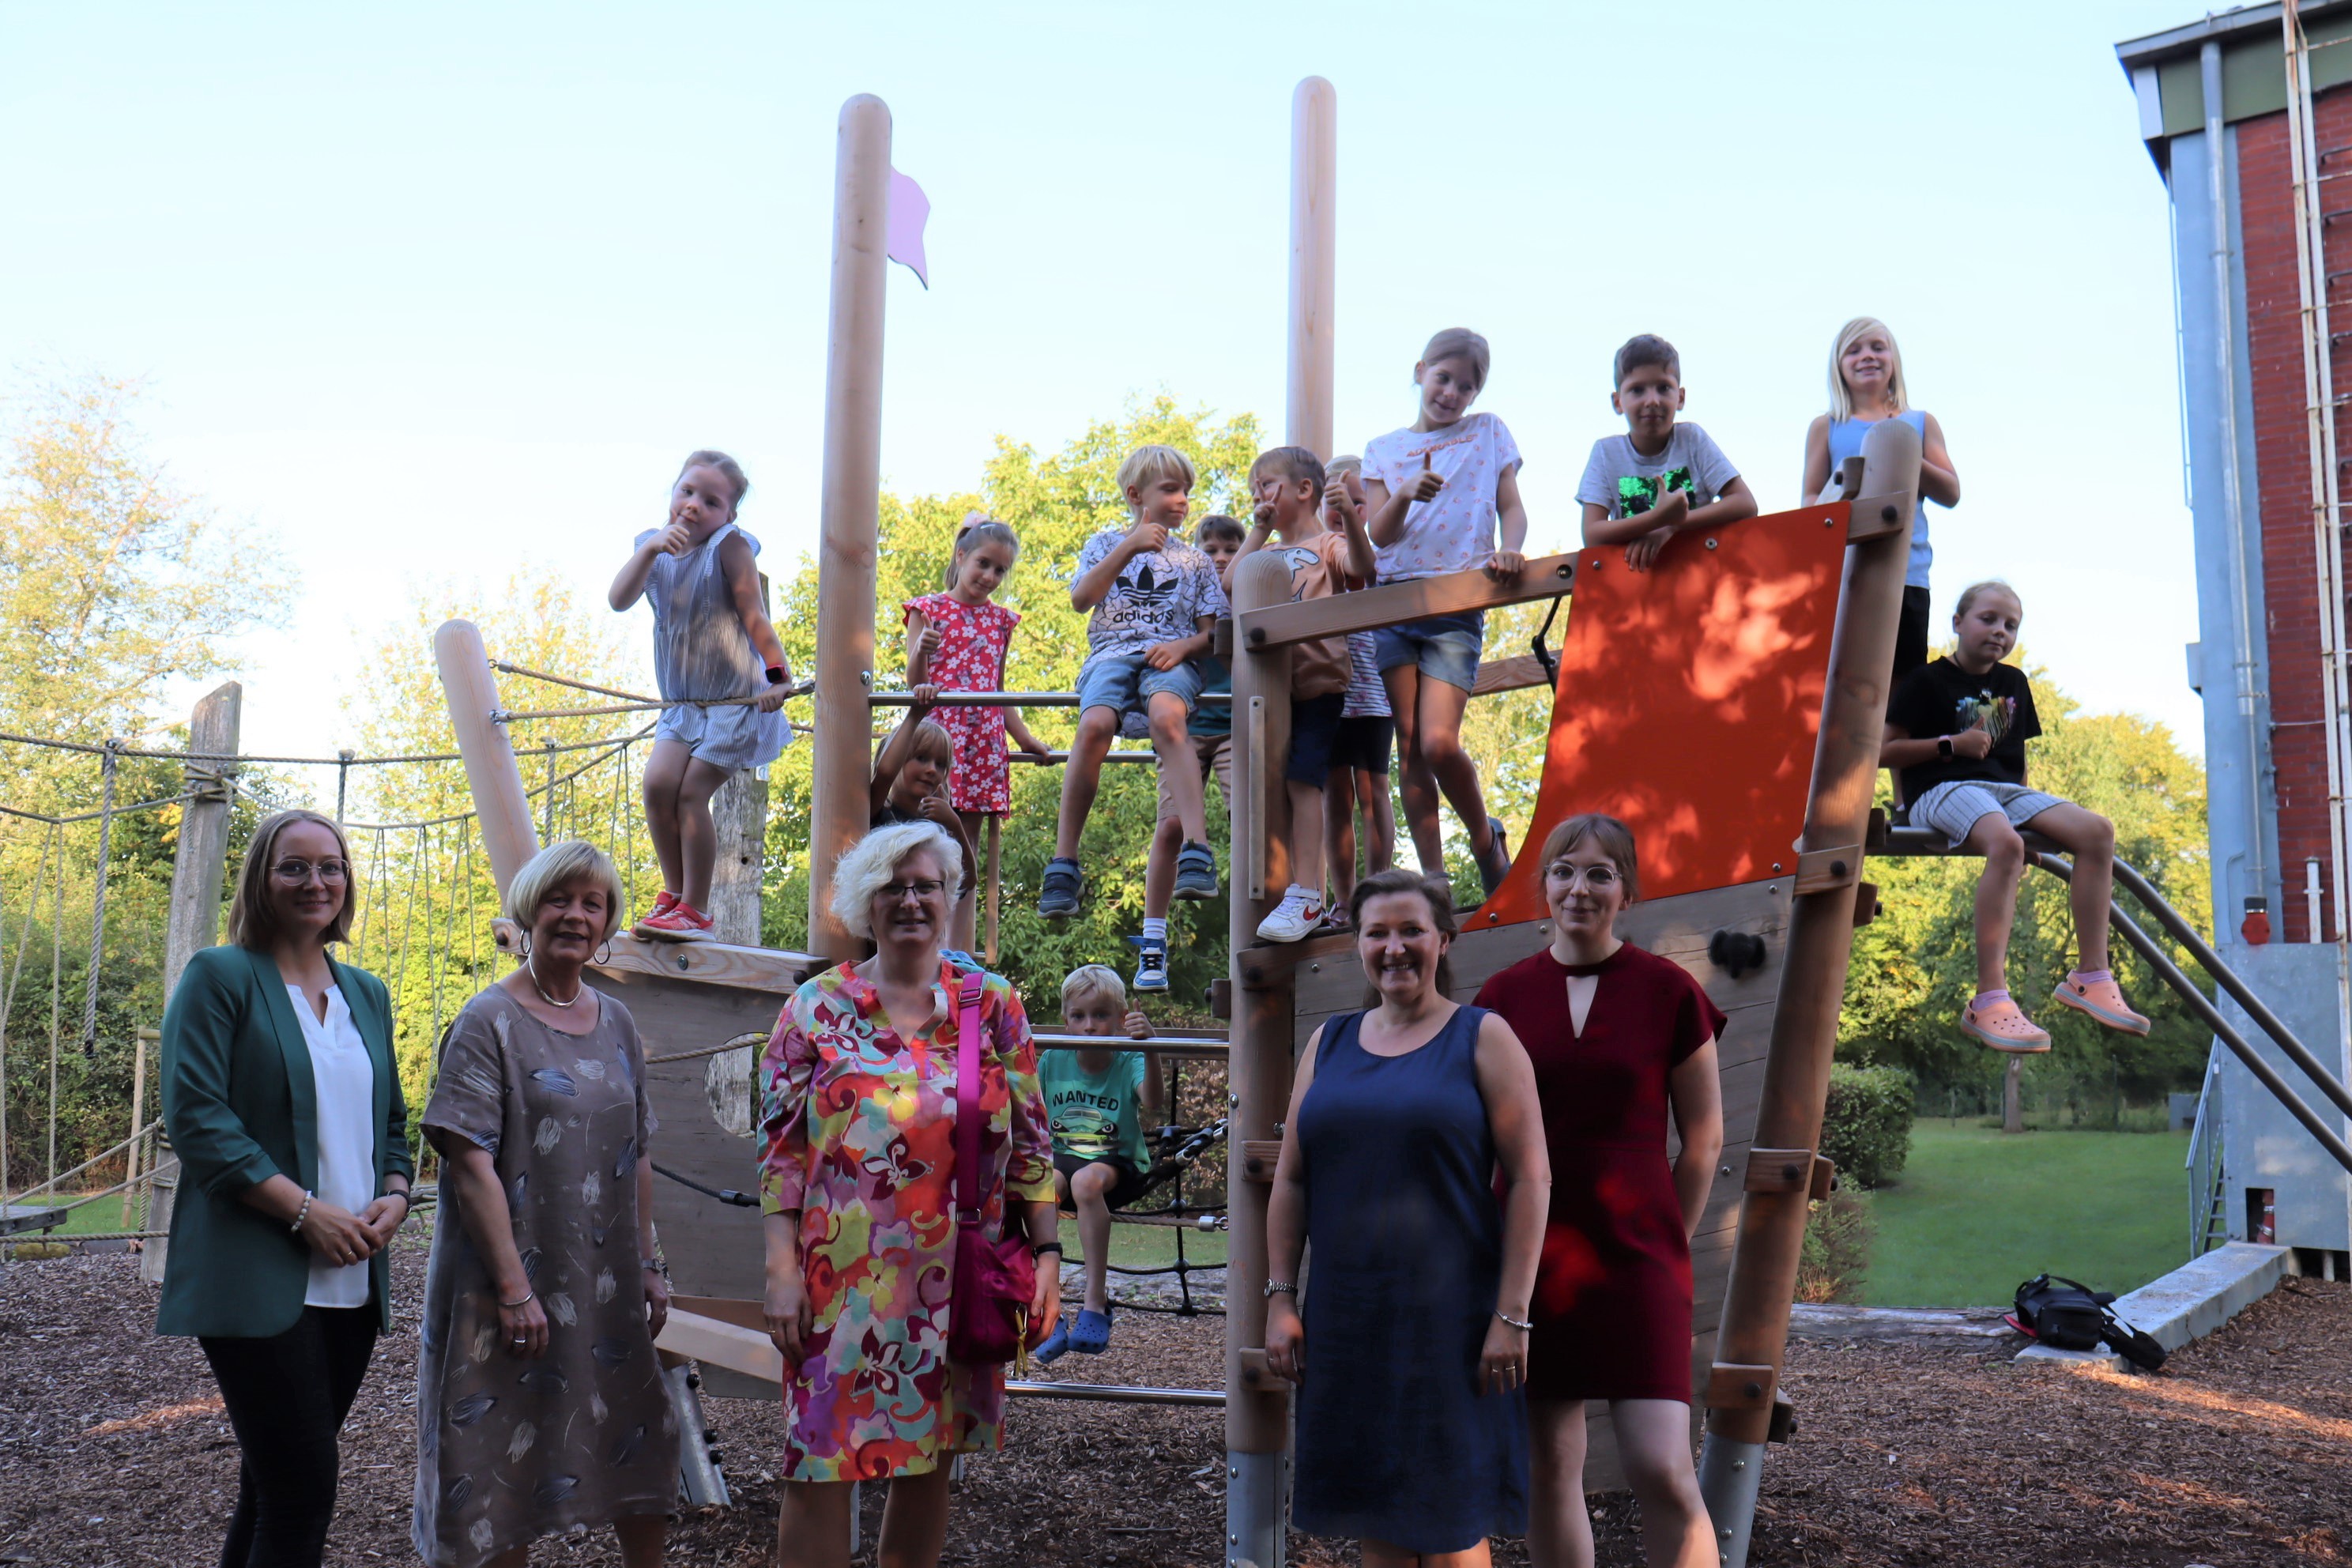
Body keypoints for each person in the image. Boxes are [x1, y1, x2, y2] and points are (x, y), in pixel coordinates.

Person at [760, 822, 1060, 1568]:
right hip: (838, 1282)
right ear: (865, 902)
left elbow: (1032, 1144)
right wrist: (780, 1270)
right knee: (821, 1460)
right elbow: (780, 1155)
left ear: (949, 896)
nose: (911, 901)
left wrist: (1050, 1257)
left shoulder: (991, 1006)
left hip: (954, 1277)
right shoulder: (815, 1008)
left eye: (926, 885)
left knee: (930, 1458)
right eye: (892, 887)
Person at [1264, 869, 1550, 1566]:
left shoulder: (1484, 1037)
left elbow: (1532, 1178)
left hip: (1453, 1323)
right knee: (1377, 1512)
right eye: (1377, 933)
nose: (1394, 948)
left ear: (1444, 940)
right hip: (1349, 1318)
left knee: (1453, 1526)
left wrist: (1512, 1316)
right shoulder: (1328, 1043)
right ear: (1358, 944)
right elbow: (1292, 1178)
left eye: (1412, 931)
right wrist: (1281, 1300)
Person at [156, 808, 413, 1568]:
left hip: (352, 1276)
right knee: (301, 1491)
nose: (315, 881)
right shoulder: (220, 977)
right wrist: (305, 1212)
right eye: (293, 866)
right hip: (257, 1271)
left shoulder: (367, 992)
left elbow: (392, 1123)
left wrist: (396, 1195)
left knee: (272, 1487)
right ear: (261, 879)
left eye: (330, 866)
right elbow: (198, 1119)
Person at [413, 840, 676, 1568]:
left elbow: (638, 1150)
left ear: (608, 921)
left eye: (593, 904)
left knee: (639, 1433)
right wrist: (514, 1289)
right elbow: (468, 1161)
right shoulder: (487, 1020)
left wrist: (650, 1264)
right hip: (509, 1278)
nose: (576, 916)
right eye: (560, 900)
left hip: (606, 1281)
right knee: (500, 1450)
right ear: (531, 909)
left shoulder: (617, 1021)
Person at [1472, 815, 1724, 1568]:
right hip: (1533, 1259)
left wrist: (1669, 1242)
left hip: (1642, 1256)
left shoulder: (1670, 992)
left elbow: (1705, 1139)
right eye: (1564, 871)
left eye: (1600, 874)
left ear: (1627, 892)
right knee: (1552, 1466)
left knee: (1662, 1466)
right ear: (1544, 886)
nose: (1579, 888)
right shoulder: (1502, 997)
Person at [1879, 582, 2148, 1050]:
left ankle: (2090, 976)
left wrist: (2031, 826)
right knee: (2005, 845)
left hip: (2002, 793)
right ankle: (1990, 998)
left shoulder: (2013, 683)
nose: (1999, 631)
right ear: (1958, 623)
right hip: (1940, 788)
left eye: (2011, 625)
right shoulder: (1927, 681)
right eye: (1988, 619)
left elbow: (2017, 764)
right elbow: (1883, 752)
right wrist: (1950, 745)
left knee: (2097, 832)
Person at [1362, 328, 1528, 897]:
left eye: (1466, 385)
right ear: (1420, 373)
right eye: (1443, 378)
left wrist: (1512, 548)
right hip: (1396, 601)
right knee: (1409, 744)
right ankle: (1434, 877)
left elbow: (1511, 506)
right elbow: (1379, 535)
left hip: (1457, 600)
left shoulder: (1487, 432)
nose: (1452, 393)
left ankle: (1484, 838)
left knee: (1437, 741)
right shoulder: (1383, 449)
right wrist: (1405, 492)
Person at [608, 450, 793, 941]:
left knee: (691, 794)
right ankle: (674, 894)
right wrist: (651, 550)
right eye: (687, 491)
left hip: (734, 704)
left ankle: (697, 909)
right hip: (683, 707)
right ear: (674, 492)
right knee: (657, 786)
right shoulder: (653, 547)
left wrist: (778, 677)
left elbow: (754, 615)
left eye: (711, 501)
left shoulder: (729, 547)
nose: (694, 505)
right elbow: (618, 600)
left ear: (729, 514)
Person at [1041, 444, 1227, 919]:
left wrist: (1182, 648)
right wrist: (1130, 546)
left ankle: (1197, 849)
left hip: (1169, 658)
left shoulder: (1195, 561)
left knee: (1168, 716)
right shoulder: (1103, 544)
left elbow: (1211, 635)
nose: (1182, 499)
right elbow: (1081, 599)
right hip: (1110, 654)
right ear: (1135, 495)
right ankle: (1063, 863)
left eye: (1186, 490)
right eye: (1171, 489)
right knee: (1095, 724)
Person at [1231, 444, 1378, 942]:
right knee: (1269, 783)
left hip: (1317, 684)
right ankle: (1287, 889)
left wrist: (1349, 517)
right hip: (1269, 688)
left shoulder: (1327, 543)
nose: (1259, 497)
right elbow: (1232, 583)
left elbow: (1362, 567)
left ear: (1304, 489)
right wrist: (1257, 531)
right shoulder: (1264, 553)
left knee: (1302, 780)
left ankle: (1307, 894)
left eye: (1266, 487)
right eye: (1254, 491)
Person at [904, 513, 1053, 950]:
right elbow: (915, 682)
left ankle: (959, 952)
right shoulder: (928, 610)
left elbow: (998, 689)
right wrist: (921, 652)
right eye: (983, 564)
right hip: (940, 738)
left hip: (982, 742)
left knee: (965, 846)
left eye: (1000, 570)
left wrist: (1024, 739)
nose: (989, 576)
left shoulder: (1001, 621)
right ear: (961, 556)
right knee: (927, 835)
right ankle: (925, 942)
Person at [1800, 317, 1963, 685]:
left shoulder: (1920, 423)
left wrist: (1903, 450)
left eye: (1878, 347)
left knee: (1902, 684)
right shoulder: (1827, 427)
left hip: (1906, 575)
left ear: (1894, 360)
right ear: (1838, 366)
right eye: (1854, 350)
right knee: (1838, 679)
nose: (1867, 356)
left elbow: (1951, 492)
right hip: (1843, 574)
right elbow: (1810, 498)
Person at [1131, 514, 1246, 992]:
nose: (1220, 558)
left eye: (1231, 549)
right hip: (1186, 729)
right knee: (1172, 825)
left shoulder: (1250, 597)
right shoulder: (1186, 596)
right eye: (1211, 549)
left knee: (1248, 820)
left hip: (1235, 730)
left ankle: (1259, 925)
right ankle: (1153, 940)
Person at [1033, 963, 1163, 1362]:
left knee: (1085, 1182)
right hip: (1063, 1157)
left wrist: (1150, 1046)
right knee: (1041, 1188)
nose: (1089, 1025)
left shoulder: (1128, 1058)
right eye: (1079, 1016)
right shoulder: (1053, 1058)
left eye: (1101, 1015)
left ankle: (1095, 1300)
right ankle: (1046, 1305)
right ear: (1065, 1021)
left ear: (1121, 1019)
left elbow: (1154, 1101)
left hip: (1116, 1161)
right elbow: (1035, 1114)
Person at [1577, 334, 1758, 571]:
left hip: (1703, 573)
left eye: (1663, 388)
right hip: (1638, 581)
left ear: (1680, 398)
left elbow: (1745, 504)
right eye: (1637, 390)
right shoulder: (1606, 453)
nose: (1652, 400)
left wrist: (1673, 525)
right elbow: (1592, 534)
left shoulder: (1691, 439)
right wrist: (1657, 519)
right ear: (1618, 402)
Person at [1320, 454, 1396, 920]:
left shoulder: (1379, 556)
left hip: (1373, 689)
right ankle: (1346, 900)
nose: (1344, 507)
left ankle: (1377, 890)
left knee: (1373, 790)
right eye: (1334, 499)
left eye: (1355, 501)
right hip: (1327, 691)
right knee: (1335, 795)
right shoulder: (1314, 554)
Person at [869, 692, 981, 966]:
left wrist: (954, 824)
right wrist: (915, 713)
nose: (932, 770)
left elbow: (967, 881)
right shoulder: (877, 812)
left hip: (921, 943)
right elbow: (885, 773)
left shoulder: (936, 828)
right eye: (920, 758)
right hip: (877, 942)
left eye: (941, 764)